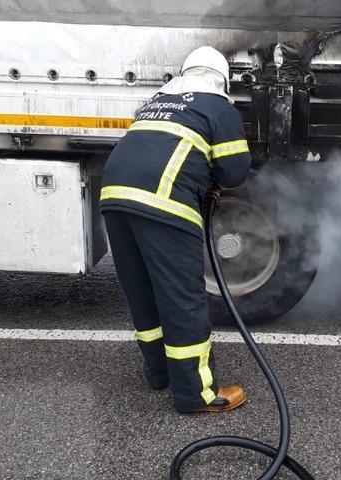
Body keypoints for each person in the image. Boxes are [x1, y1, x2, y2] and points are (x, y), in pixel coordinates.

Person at [100, 46, 252, 414]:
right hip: (164, 200)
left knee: (143, 290)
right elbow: (234, 172)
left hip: (114, 195)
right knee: (182, 297)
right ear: (223, 79)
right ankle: (195, 395)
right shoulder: (218, 106)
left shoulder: (156, 101)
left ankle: (159, 373)